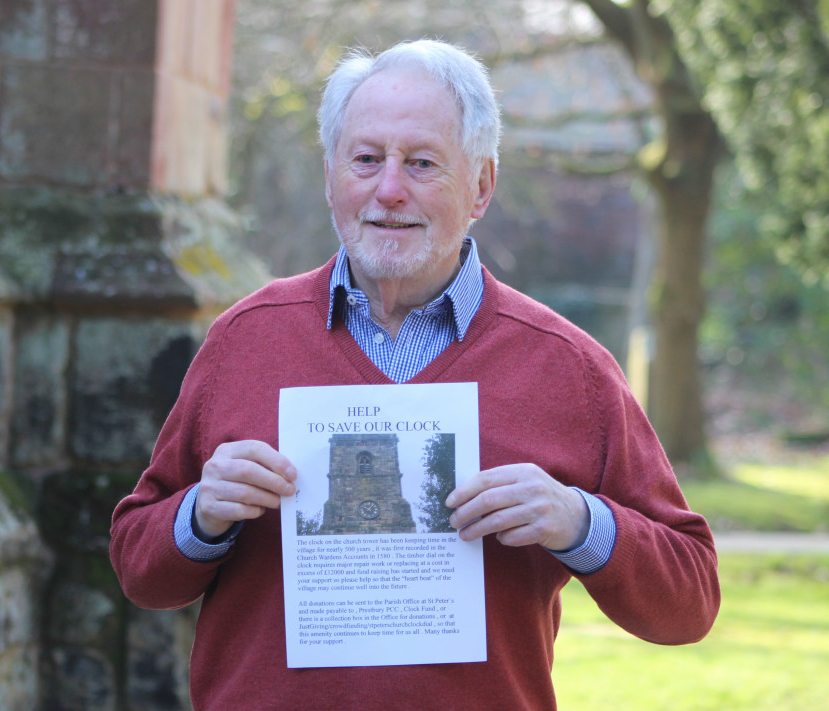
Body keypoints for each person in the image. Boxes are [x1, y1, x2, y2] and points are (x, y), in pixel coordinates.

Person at [110, 39, 720, 710]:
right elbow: (140, 568)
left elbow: (688, 602)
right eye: (366, 160)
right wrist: (199, 513)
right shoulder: (245, 338)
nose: (389, 189)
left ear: (481, 186)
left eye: (422, 163)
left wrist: (579, 520)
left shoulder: (567, 366)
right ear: (331, 177)